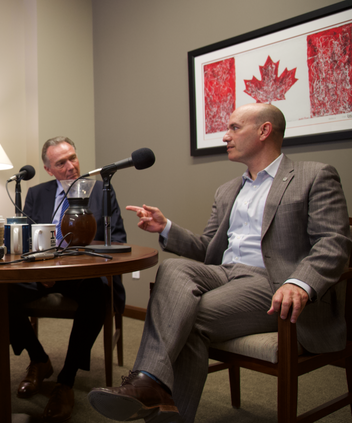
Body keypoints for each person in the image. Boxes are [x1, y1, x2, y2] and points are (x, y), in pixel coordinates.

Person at [88, 103, 352, 423]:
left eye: (234, 128)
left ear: (264, 130)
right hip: (224, 274)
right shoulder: (228, 191)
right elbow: (207, 249)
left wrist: (299, 282)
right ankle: (148, 383)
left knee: (188, 321)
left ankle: (150, 389)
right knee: (173, 268)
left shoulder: (314, 175)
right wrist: (166, 228)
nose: (225, 136)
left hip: (272, 283)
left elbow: (333, 241)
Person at [8, 136, 127, 423]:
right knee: (0, 291)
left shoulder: (102, 191)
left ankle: (66, 381)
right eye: (61, 162)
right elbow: (25, 240)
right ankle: (39, 359)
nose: (71, 166)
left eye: (73, 158)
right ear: (49, 169)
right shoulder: (36, 194)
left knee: (98, 293)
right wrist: (44, 268)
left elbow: (118, 239)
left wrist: (72, 261)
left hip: (83, 274)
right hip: (42, 272)